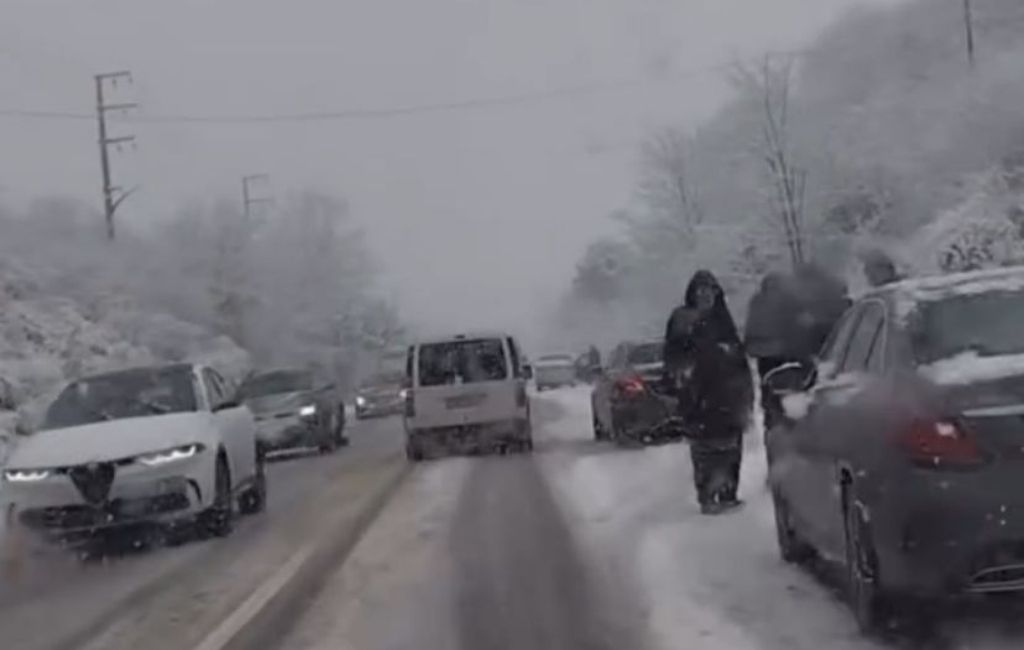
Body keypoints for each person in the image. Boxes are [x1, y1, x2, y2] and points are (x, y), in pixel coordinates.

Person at [665, 270, 753, 515]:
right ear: (692, 294)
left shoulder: (723, 319)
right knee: (705, 447)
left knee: (731, 447)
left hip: (729, 394)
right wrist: (685, 379)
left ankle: (728, 493)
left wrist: (746, 391)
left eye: (710, 290)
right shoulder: (682, 319)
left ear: (717, 293)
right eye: (700, 290)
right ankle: (708, 495)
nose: (705, 295)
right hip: (699, 395)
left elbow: (738, 355)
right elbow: (673, 356)